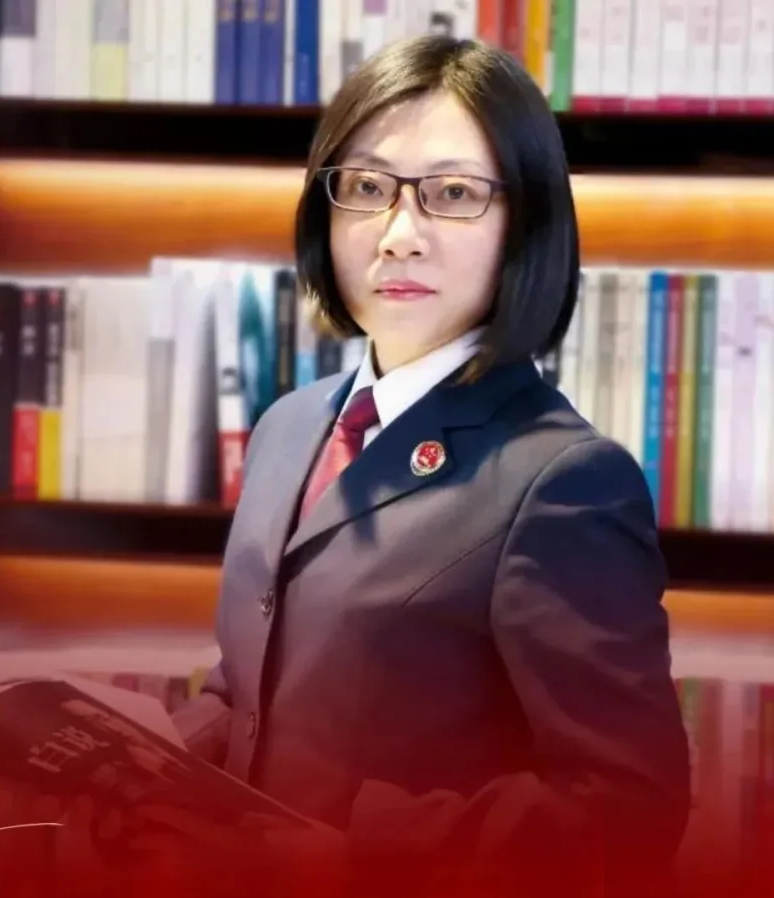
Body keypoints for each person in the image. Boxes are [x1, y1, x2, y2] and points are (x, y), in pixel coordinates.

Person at [143, 34, 692, 898]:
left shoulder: (565, 481)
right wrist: (137, 755)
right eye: (367, 188)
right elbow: (252, 687)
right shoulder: (289, 426)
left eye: (453, 194)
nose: (399, 235)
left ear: (526, 223)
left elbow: (628, 813)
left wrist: (353, 855)